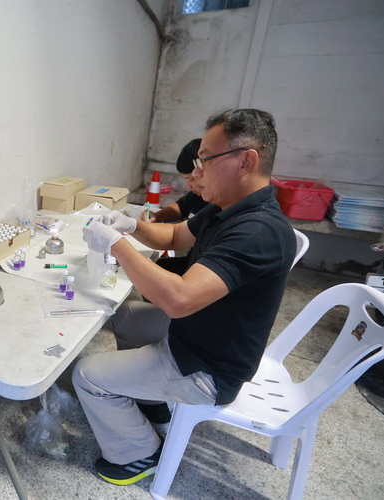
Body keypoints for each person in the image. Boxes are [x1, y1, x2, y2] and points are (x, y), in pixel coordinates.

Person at [74, 108, 295, 486]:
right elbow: (176, 236)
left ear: (246, 161)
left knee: (86, 375)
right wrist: (131, 225)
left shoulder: (258, 231)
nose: (197, 172)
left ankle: (138, 454)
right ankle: (152, 403)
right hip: (196, 333)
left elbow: (178, 300)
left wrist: (117, 246)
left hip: (208, 367)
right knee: (124, 315)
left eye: (205, 159)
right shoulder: (226, 208)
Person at [144, 138, 208, 275]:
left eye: (191, 179)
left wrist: (133, 228)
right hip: (192, 261)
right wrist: (156, 216)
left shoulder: (216, 203)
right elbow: (181, 207)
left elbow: (175, 237)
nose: (189, 186)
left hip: (201, 271)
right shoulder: (199, 195)